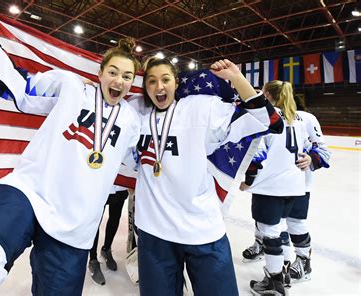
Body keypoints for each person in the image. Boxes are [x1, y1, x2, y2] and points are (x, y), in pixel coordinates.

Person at [0, 3, 141, 295]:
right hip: (30, 191)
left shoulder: (132, 121)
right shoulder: (71, 87)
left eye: (127, 76)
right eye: (113, 72)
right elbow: (24, 92)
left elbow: (141, 162)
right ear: (101, 73)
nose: (119, 81)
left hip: (75, 222)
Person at [127, 57, 283, 296]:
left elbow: (268, 121)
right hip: (154, 231)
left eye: (165, 79)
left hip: (201, 228)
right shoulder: (135, 113)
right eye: (152, 81)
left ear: (176, 83)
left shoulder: (199, 108)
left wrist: (236, 77)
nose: (159, 86)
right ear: (145, 86)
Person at [242, 90, 331, 285]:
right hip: (285, 181)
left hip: (294, 182)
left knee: (287, 224)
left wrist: (311, 158)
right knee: (272, 224)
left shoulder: (305, 118)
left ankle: (292, 266)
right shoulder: (272, 116)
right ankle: (272, 255)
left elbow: (323, 151)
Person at [88, 186, 129, 285]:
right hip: (100, 182)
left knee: (115, 219)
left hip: (120, 181)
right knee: (95, 222)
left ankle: (106, 249)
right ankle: (93, 260)